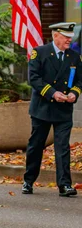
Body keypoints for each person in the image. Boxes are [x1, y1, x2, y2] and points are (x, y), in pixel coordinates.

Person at [22, 22, 81, 197]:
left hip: (64, 109)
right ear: (55, 35)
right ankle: (28, 180)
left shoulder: (74, 57)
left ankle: (64, 185)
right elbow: (34, 78)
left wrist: (73, 93)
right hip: (43, 108)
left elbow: (79, 81)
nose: (69, 40)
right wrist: (53, 93)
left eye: (70, 37)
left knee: (62, 147)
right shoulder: (39, 53)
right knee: (36, 145)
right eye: (65, 37)